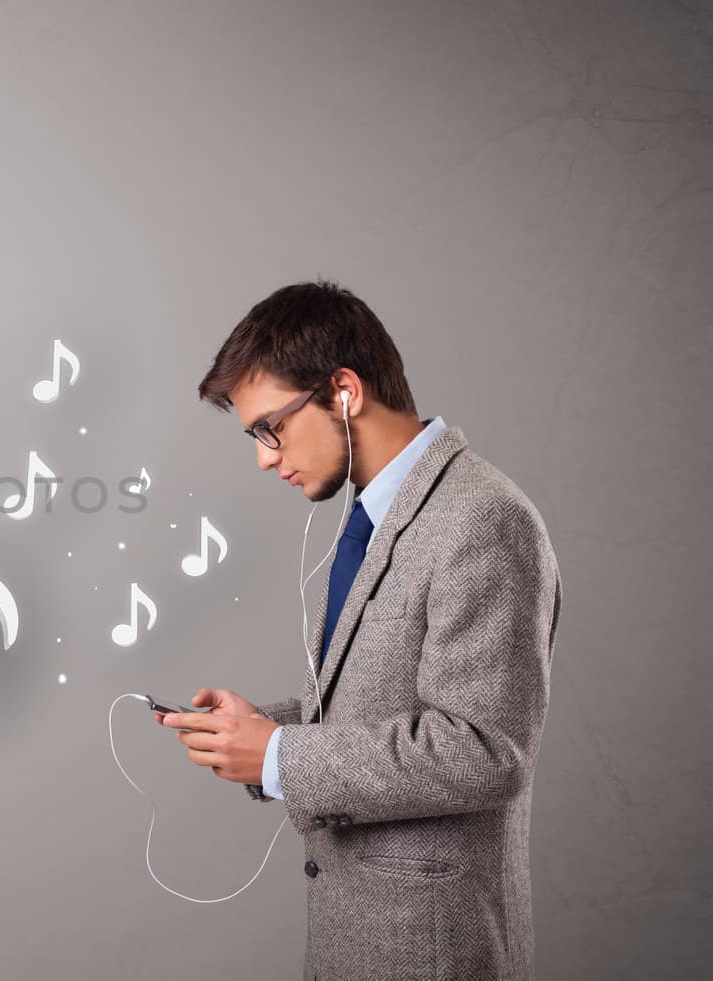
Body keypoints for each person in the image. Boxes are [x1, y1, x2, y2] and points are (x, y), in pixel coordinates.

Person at [156, 281, 561, 980]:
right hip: (355, 945)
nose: (263, 456)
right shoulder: (374, 511)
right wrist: (260, 729)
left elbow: (485, 749)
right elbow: (382, 707)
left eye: (270, 427)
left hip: (431, 954)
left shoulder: (484, 518)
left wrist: (282, 754)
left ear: (343, 390)